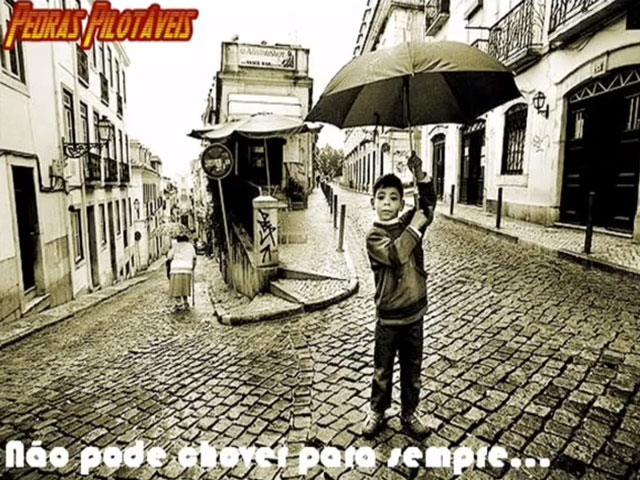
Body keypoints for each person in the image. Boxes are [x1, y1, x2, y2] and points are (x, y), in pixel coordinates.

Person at [362, 154, 436, 439]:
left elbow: (426, 208)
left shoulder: (407, 220)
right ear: (373, 203)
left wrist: (420, 176)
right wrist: (415, 226)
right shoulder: (373, 236)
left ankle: (409, 412)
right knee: (382, 370)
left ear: (401, 204)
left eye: (393, 198)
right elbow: (396, 254)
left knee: (412, 369)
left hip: (414, 313)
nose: (386, 203)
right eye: (381, 198)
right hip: (388, 317)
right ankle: (377, 411)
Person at [167, 234, 196, 309]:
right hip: (187, 268)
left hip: (176, 269)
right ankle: (185, 302)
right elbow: (194, 257)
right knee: (185, 286)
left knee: (176, 286)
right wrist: (193, 267)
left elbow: (169, 257)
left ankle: (178, 302)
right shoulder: (190, 246)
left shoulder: (175, 246)